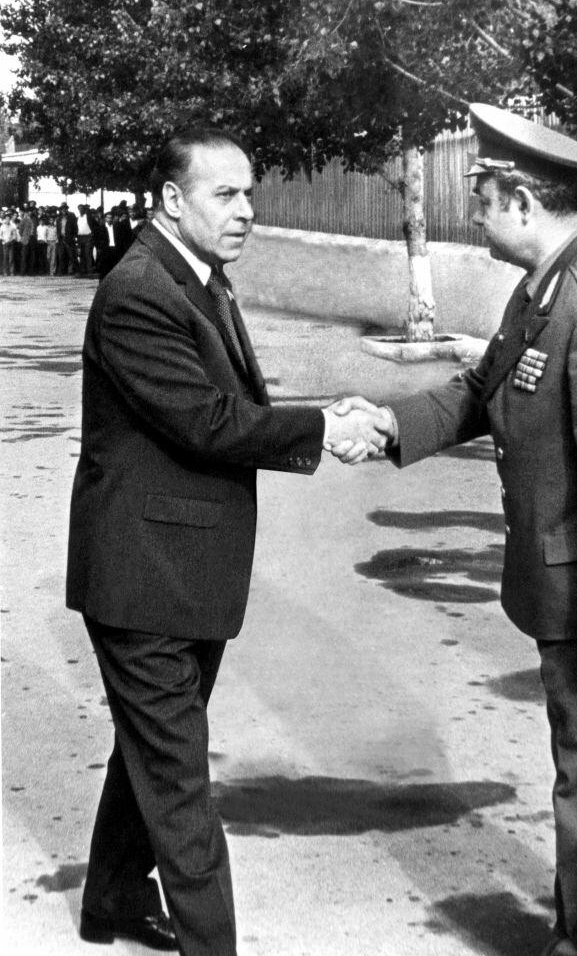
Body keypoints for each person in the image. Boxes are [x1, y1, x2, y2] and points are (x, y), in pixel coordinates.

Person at [335, 104, 577, 956]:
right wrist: (389, 424)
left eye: (483, 198)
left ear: (525, 203)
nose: (474, 214)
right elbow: (481, 389)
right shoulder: (545, 288)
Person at [66, 125, 390, 956]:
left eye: (250, 193)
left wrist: (321, 418)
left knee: (152, 750)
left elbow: (232, 410)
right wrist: (325, 428)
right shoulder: (140, 290)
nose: (247, 210)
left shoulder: (197, 276)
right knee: (178, 780)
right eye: (226, 195)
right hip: (143, 578)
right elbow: (207, 422)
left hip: (182, 569)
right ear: (172, 200)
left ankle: (110, 899)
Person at [1, 207, 20, 274]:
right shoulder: (2, 227)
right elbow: (0, 235)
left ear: (10, 219)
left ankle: (12, 272)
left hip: (11, 243)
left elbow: (14, 235)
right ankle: (5, 272)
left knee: (11, 258)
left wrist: (10, 240)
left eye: (9, 219)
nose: (7, 220)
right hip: (4, 244)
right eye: (6, 219)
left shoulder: (12, 226)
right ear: (5, 219)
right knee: (5, 258)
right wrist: (4, 240)